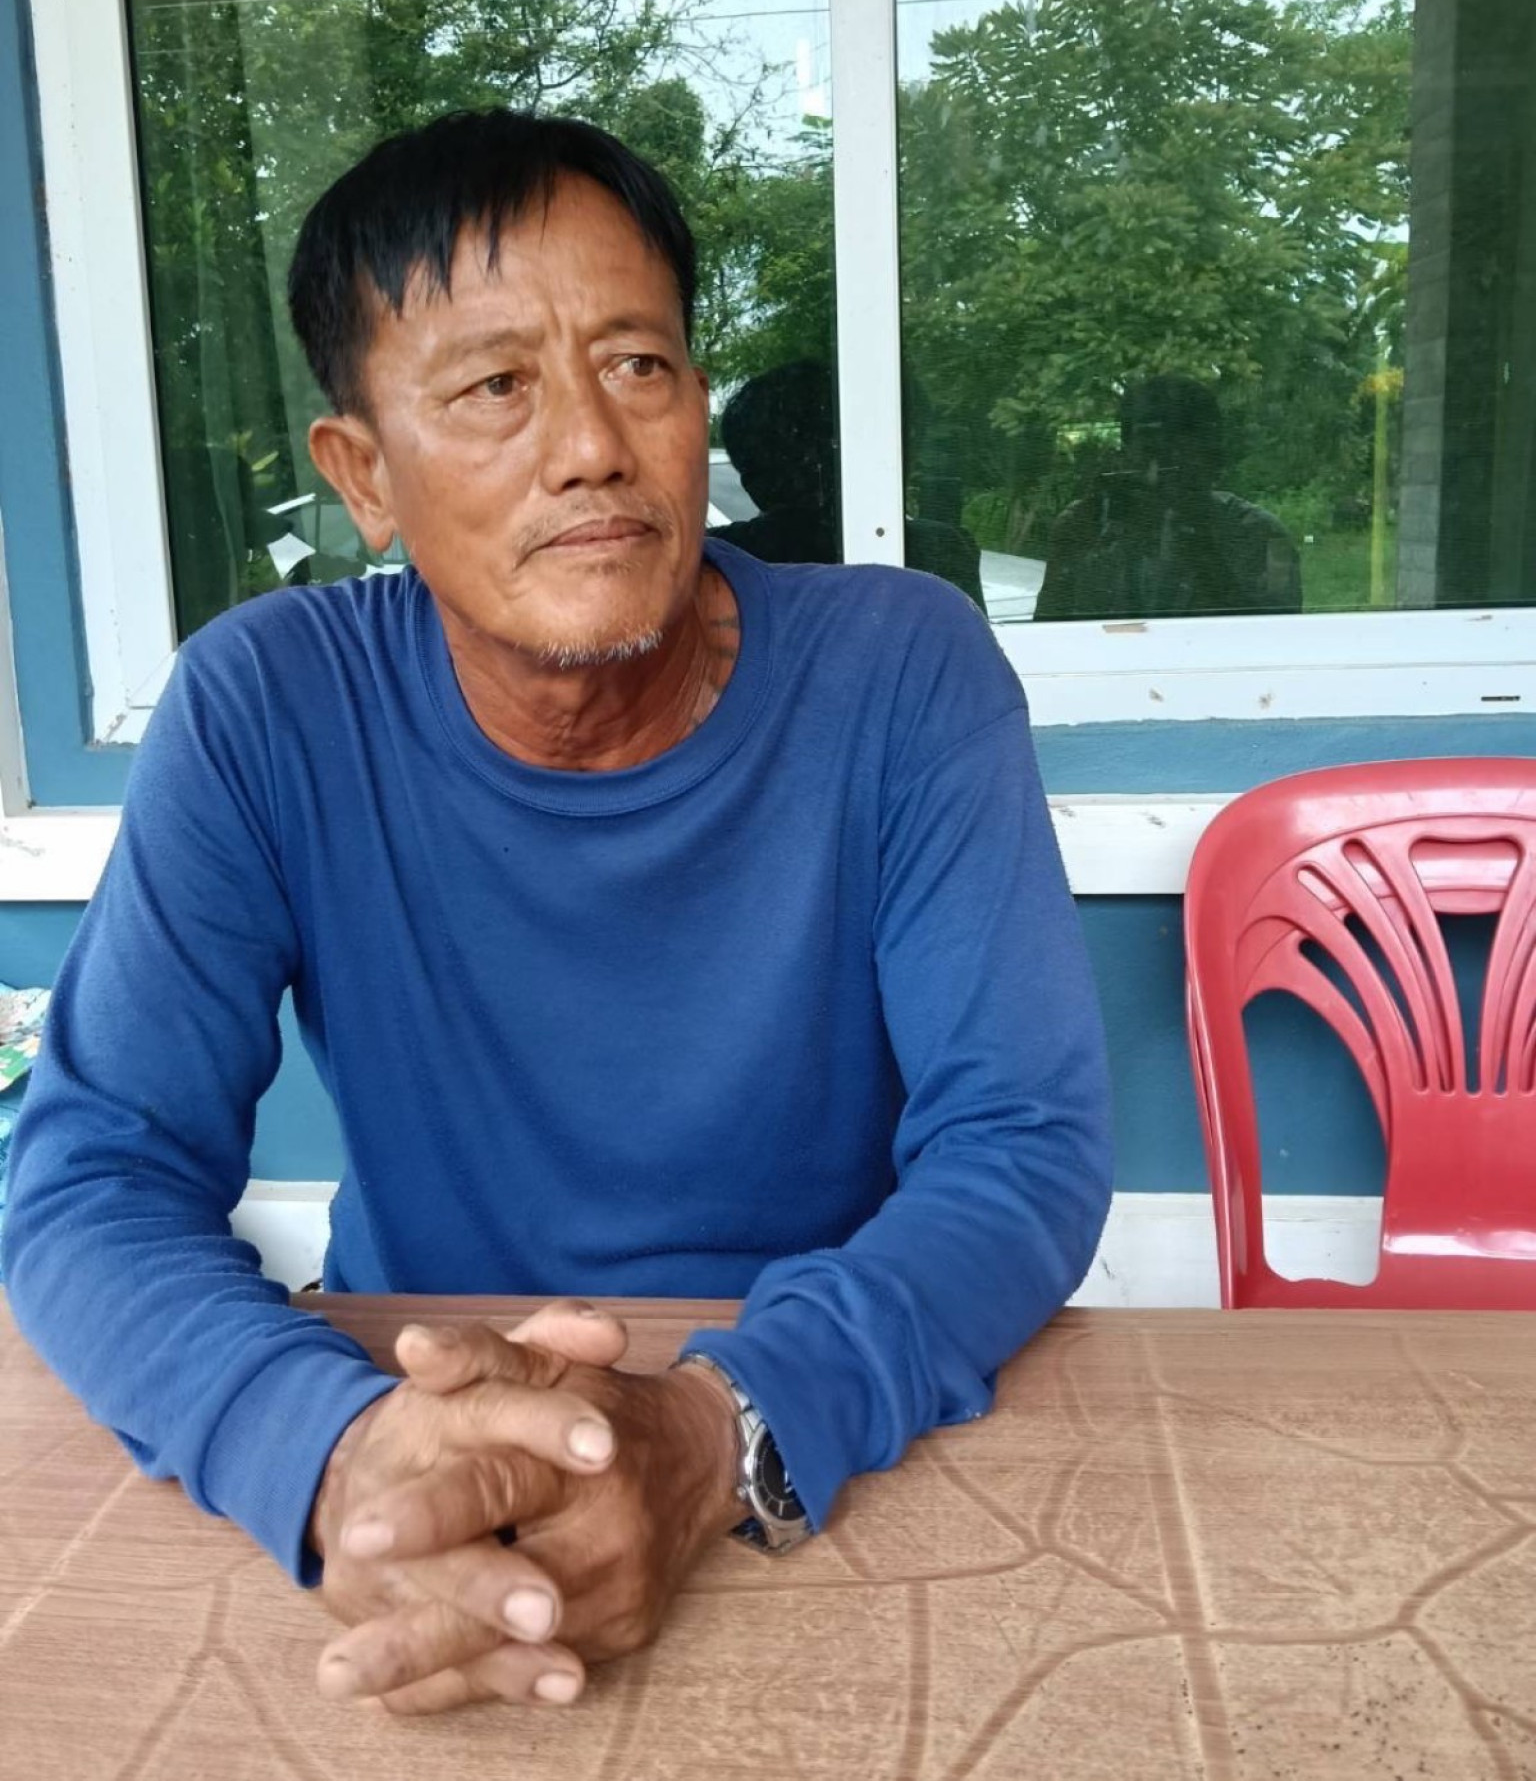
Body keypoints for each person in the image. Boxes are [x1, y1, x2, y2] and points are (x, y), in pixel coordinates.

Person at [3, 110, 1112, 1717]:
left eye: (639, 364)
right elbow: (94, 1177)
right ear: (364, 476)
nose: (592, 444)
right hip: (411, 1398)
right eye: (495, 387)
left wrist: (716, 1430)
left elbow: (1021, 1146)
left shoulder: (900, 672)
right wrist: (332, 1453)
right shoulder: (270, 706)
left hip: (811, 1417)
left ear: (697, 405)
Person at [714, 359, 986, 606]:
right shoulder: (939, 549)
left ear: (754, 484)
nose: (912, 463)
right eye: (905, 443)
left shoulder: (718, 560)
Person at [1035, 374, 1303, 621]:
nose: (1161, 468)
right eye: (1149, 448)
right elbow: (1047, 629)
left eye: (1180, 450)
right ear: (1126, 454)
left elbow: (1275, 634)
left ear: (1210, 458)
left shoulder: (1257, 534)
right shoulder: (1086, 524)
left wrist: (1199, 544)